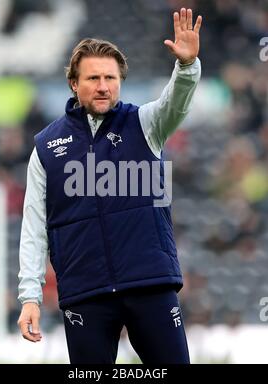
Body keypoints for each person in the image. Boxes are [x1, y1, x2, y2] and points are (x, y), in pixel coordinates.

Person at [17, 7, 202, 364]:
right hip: (85, 293)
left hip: (150, 284)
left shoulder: (146, 124)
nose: (103, 86)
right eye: (93, 78)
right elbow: (33, 227)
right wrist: (30, 296)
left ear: (120, 81)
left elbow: (176, 104)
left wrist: (187, 67)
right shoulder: (45, 148)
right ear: (74, 83)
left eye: (110, 78)